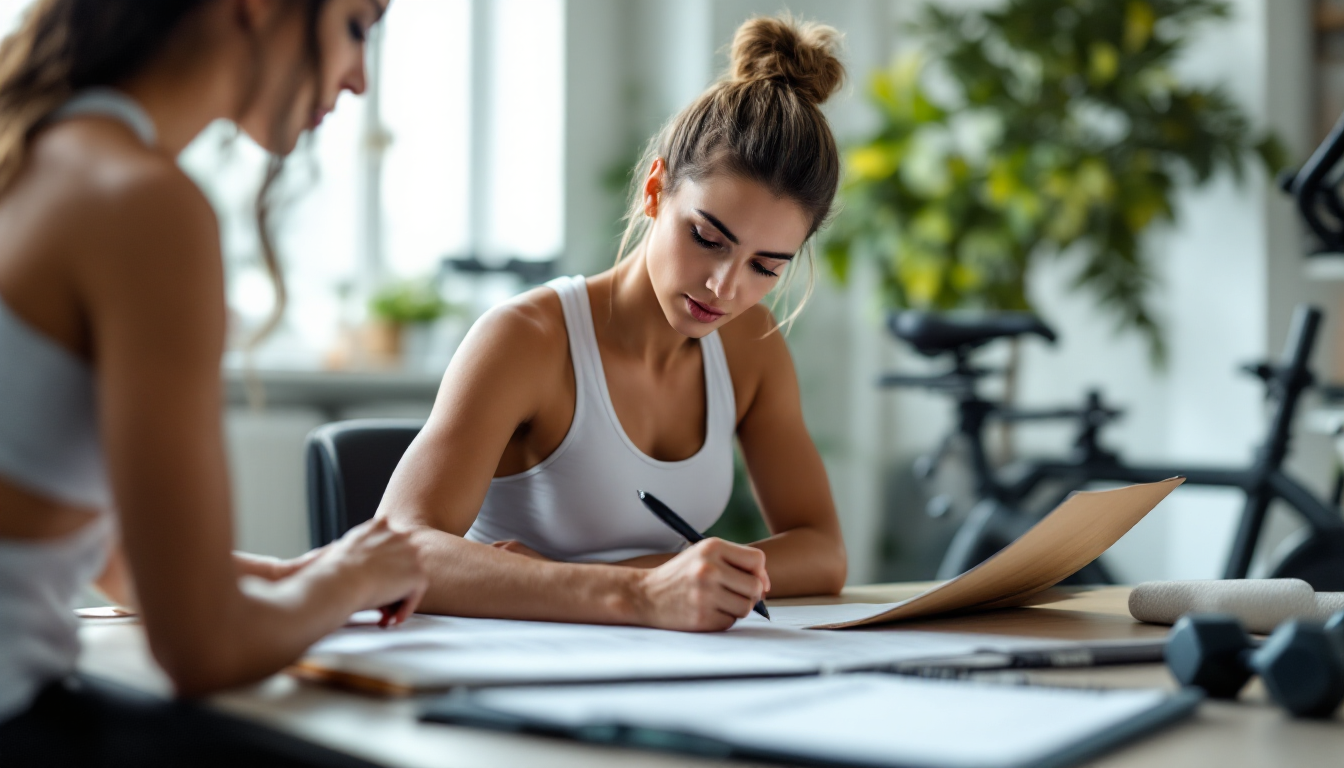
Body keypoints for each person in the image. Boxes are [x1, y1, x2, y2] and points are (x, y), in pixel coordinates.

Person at [0, 1, 426, 764]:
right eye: (356, 28)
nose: (360, 79)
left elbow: (77, 539)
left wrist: (293, 576)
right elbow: (202, 647)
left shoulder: (32, 157)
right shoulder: (141, 202)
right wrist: (350, 581)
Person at [381, 14, 848, 632]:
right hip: (505, 665)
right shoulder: (527, 340)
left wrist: (646, 576)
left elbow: (822, 549)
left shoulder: (749, 349)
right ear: (656, 191)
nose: (725, 288)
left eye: (766, 266)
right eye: (708, 238)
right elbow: (398, 548)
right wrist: (643, 591)